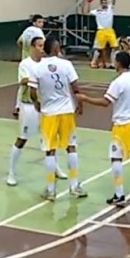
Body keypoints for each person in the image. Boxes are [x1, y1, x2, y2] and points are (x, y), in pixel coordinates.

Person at [75, 51, 130, 206]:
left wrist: (86, 99)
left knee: (116, 158)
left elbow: (105, 102)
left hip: (124, 123)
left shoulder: (119, 82)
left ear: (118, 63)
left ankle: (119, 195)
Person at [29, 37, 87, 200]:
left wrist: (37, 103)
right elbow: (75, 87)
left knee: (49, 150)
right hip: (66, 111)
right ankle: (74, 186)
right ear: (55, 49)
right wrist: (80, 104)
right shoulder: (66, 65)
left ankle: (51, 190)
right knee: (71, 147)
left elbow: (32, 91)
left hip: (49, 113)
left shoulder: (37, 67)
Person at [7, 37, 68, 186]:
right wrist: (34, 80)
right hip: (29, 106)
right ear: (32, 47)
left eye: (43, 45)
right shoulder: (25, 64)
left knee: (50, 138)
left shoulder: (47, 64)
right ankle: (11, 172)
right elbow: (23, 81)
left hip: (47, 106)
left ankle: (55, 167)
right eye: (39, 46)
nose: (42, 48)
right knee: (22, 138)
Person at [13, 15, 46, 117]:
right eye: (39, 22)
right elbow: (43, 43)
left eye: (42, 22)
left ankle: (17, 106)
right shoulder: (38, 33)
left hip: (25, 58)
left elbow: (19, 42)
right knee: (35, 83)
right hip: (34, 60)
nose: (42, 24)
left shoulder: (26, 31)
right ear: (34, 23)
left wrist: (24, 51)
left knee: (23, 85)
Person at [84, 0, 118, 69]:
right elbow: (86, 12)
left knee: (114, 47)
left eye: (105, 2)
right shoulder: (97, 11)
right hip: (101, 31)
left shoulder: (110, 8)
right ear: (101, 4)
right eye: (103, 3)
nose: (104, 4)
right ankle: (93, 62)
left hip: (110, 30)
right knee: (99, 49)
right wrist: (89, 3)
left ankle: (112, 64)